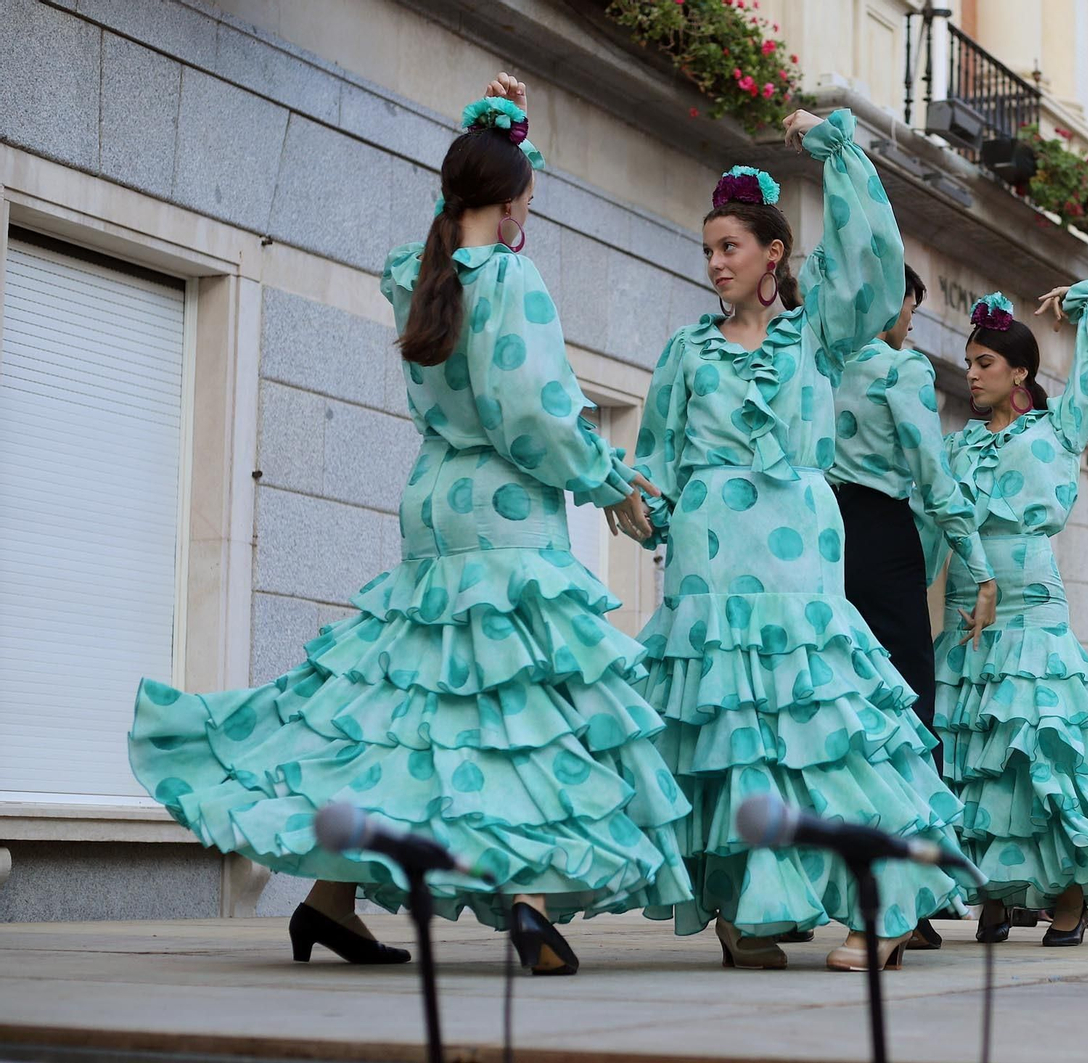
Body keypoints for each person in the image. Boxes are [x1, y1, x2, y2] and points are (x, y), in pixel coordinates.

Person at [128, 75, 692, 975]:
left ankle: (329, 900)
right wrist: (611, 482)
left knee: (410, 708)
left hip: (432, 503)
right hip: (504, 512)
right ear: (509, 207)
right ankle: (530, 899)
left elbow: (460, 214)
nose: (529, 215)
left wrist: (490, 130)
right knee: (520, 705)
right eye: (527, 199)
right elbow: (535, 411)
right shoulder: (510, 274)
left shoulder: (418, 271)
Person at [624, 107, 960, 973]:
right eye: (707, 250)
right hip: (705, 563)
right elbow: (654, 455)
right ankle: (747, 907)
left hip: (796, 554)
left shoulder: (818, 335)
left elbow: (877, 267)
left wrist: (840, 152)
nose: (714, 264)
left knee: (822, 725)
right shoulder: (685, 350)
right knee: (726, 729)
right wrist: (636, 499)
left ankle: (881, 901)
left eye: (729, 247)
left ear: (773, 254)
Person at [932, 285, 1088, 949]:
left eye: (984, 363)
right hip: (967, 606)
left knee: (1038, 754)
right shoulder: (957, 447)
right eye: (969, 363)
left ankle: (1069, 893)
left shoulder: (1059, 431)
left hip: (1031, 608)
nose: (971, 375)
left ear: (1020, 371)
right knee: (976, 756)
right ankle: (996, 891)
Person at [829, 261, 997, 952]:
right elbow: (934, 476)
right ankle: (906, 896)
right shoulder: (901, 369)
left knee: (841, 712)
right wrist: (978, 567)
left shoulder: (817, 359)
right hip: (883, 538)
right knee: (903, 715)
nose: (909, 322)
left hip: (820, 535)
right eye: (909, 306)